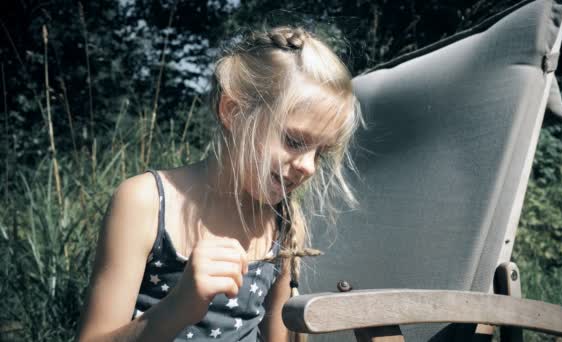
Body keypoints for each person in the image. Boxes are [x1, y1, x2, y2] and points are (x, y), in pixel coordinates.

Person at [77, 26, 363, 341]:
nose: (308, 167)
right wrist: (178, 307)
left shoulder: (284, 223)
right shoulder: (145, 203)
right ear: (233, 112)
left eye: (320, 153)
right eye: (294, 140)